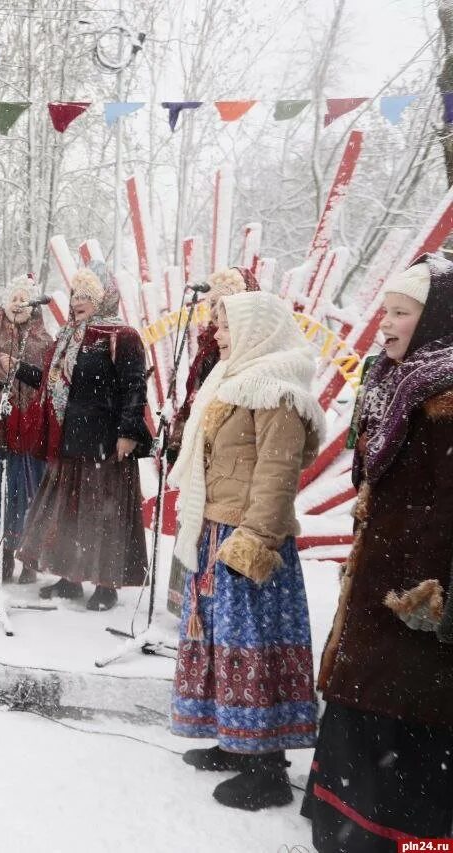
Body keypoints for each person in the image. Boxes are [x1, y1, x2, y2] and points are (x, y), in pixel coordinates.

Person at [303, 256, 453, 849]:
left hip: (426, 588)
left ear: (436, 317)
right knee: (361, 698)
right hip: (375, 573)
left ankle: (393, 836)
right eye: (385, 310)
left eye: (401, 312)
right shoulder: (390, 381)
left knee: (408, 713)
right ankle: (340, 821)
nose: (385, 323)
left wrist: (444, 592)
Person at [167, 290, 323, 811]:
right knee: (221, 646)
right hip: (216, 531)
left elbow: (276, 479)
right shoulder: (233, 380)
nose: (219, 334)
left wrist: (253, 544)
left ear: (259, 329)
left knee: (251, 650)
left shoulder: (277, 391)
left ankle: (267, 768)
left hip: (248, 539)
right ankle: (234, 740)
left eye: (228, 326)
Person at [14, 264, 150, 611]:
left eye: (87, 295)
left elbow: (135, 386)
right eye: (75, 294)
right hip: (72, 440)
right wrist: (21, 369)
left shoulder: (121, 336)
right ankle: (69, 577)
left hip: (105, 443)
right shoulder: (69, 336)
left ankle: (107, 584)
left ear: (104, 298)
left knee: (104, 515)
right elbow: (55, 383)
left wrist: (128, 432)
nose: (78, 301)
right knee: (70, 513)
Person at [164, 265, 262, 614]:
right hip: (203, 443)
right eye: (215, 303)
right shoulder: (208, 344)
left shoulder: (250, 357)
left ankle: (203, 609)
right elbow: (193, 394)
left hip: (228, 467)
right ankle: (185, 604)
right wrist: (180, 432)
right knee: (193, 519)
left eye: (226, 303)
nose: (218, 312)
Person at [0, 275, 54, 582]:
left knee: (24, 495)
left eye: (23, 299)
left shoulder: (43, 341)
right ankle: (2, 558)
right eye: (13, 298)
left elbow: (49, 381)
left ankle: (27, 559)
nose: (18, 304)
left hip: (28, 431)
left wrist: (21, 369)